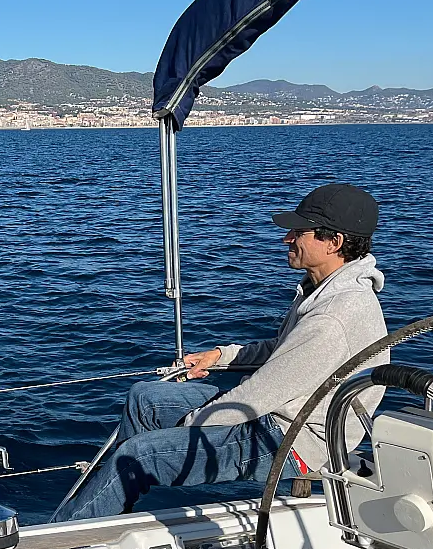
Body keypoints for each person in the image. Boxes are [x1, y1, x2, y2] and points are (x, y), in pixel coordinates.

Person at [51, 183, 388, 522]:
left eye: (299, 232)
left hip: (295, 440)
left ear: (334, 242)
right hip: (282, 413)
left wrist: (192, 426)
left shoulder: (334, 315)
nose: (287, 239)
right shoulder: (321, 291)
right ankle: (104, 513)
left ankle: (68, 534)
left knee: (138, 456)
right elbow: (283, 352)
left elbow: (260, 395)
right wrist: (220, 356)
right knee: (145, 398)